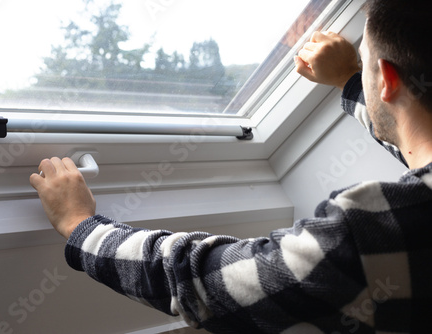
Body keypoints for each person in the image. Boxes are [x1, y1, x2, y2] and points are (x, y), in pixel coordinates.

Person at [30, 0, 432, 332]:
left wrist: (80, 226)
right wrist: (350, 79)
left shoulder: (369, 234)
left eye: (366, 62)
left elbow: (201, 281)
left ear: (387, 80)